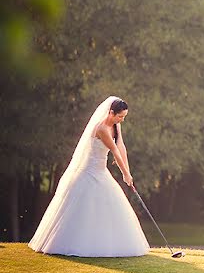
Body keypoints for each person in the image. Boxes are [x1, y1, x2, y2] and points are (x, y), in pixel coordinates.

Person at [28, 96, 150, 257]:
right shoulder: (101, 129)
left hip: (101, 171)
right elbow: (114, 151)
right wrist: (125, 174)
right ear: (111, 112)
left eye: (124, 117)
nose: (122, 120)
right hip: (88, 171)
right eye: (120, 116)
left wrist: (128, 172)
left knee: (111, 204)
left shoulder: (116, 125)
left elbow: (121, 147)